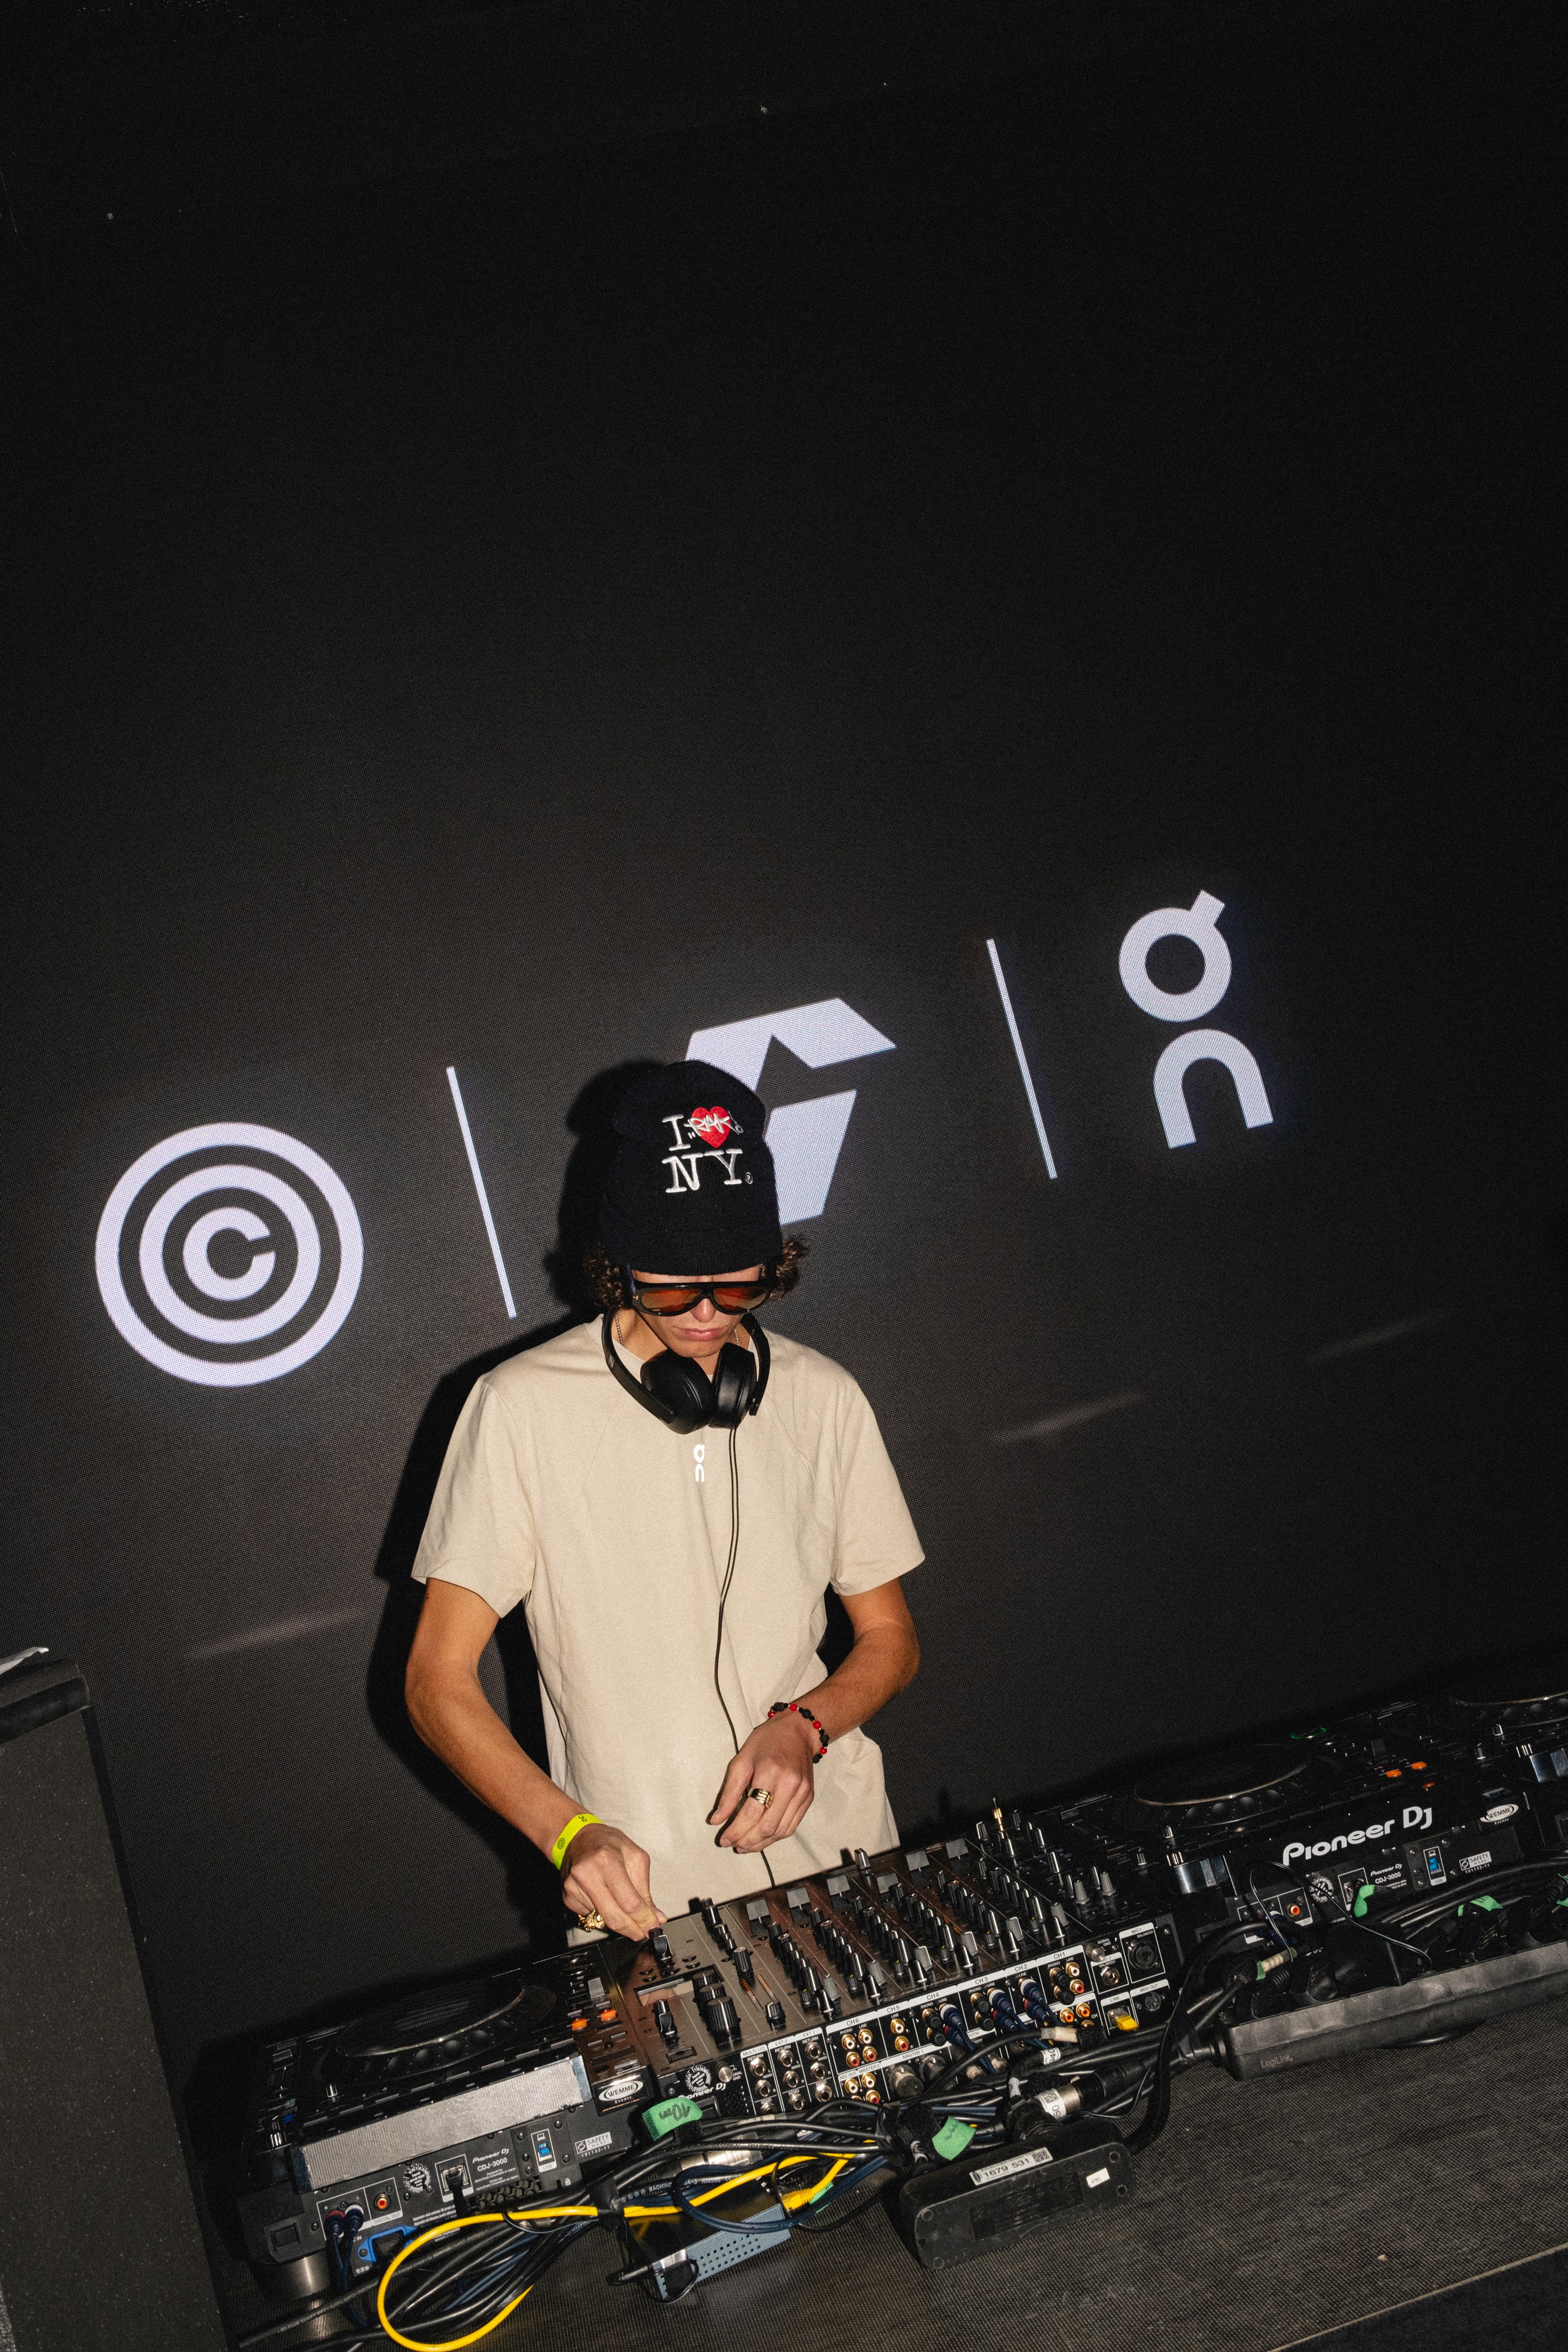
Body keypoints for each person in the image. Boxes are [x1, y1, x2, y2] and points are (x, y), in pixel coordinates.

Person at [404, 1060, 922, 1943]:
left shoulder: (825, 1397)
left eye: (740, 1284)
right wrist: (566, 1833)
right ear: (619, 1264)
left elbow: (891, 1639)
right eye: (675, 1286)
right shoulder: (518, 1410)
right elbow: (434, 1682)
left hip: (847, 1864)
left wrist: (806, 1728)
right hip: (647, 1904)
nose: (708, 1313)